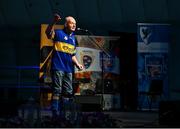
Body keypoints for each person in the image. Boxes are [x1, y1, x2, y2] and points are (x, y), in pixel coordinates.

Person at [45, 13, 84, 118]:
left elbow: (72, 55)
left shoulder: (73, 39)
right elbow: (48, 33)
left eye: (75, 24)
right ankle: (55, 112)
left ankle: (64, 113)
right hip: (58, 67)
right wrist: (54, 21)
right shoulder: (58, 33)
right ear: (66, 24)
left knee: (68, 92)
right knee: (57, 90)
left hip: (68, 69)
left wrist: (78, 64)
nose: (74, 25)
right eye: (72, 23)